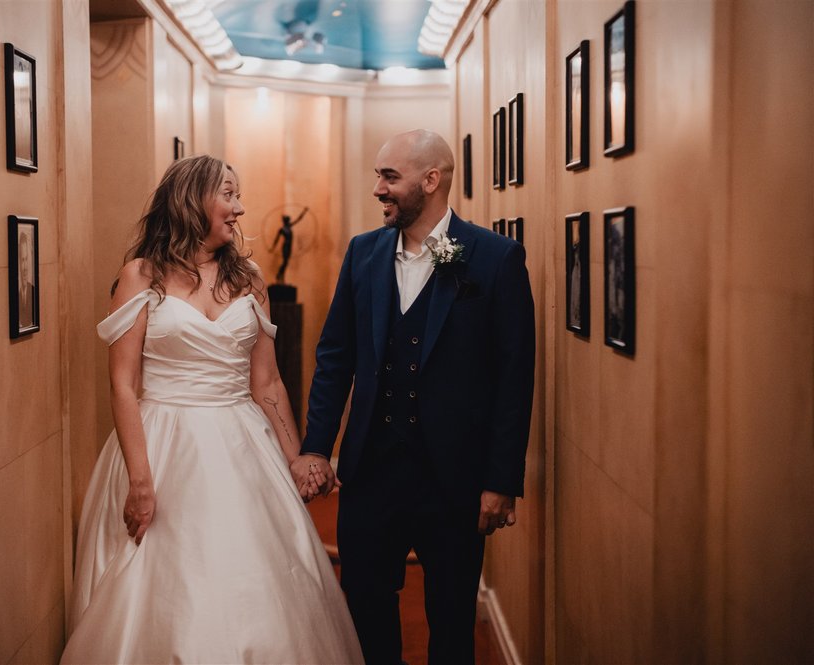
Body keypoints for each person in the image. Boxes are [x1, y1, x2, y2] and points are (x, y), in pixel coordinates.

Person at [61, 155, 363, 664]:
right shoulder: (139, 276)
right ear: (191, 198)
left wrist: (297, 456)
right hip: (162, 443)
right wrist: (140, 479)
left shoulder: (249, 278)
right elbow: (123, 383)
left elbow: (266, 379)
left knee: (256, 576)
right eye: (229, 194)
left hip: (242, 442)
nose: (240, 207)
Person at [290, 130, 536, 664]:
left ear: (431, 180)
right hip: (370, 472)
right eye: (377, 174)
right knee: (367, 611)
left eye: (389, 177)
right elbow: (335, 359)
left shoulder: (495, 259)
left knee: (451, 622)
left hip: (455, 481)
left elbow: (513, 380)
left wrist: (501, 481)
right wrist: (316, 446)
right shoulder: (363, 254)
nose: (377, 188)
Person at [271, 206, 307, 283]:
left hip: (289, 246)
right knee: (285, 262)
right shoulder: (282, 229)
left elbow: (298, 219)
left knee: (286, 262)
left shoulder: (289, 226)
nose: (288, 221)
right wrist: (272, 248)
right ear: (285, 221)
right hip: (285, 246)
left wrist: (304, 211)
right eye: (287, 220)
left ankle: (281, 276)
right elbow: (276, 239)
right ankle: (279, 274)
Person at [18, 228, 36, 329]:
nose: (25, 267)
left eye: (26, 259)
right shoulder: (17, 295)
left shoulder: (33, 291)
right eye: (22, 260)